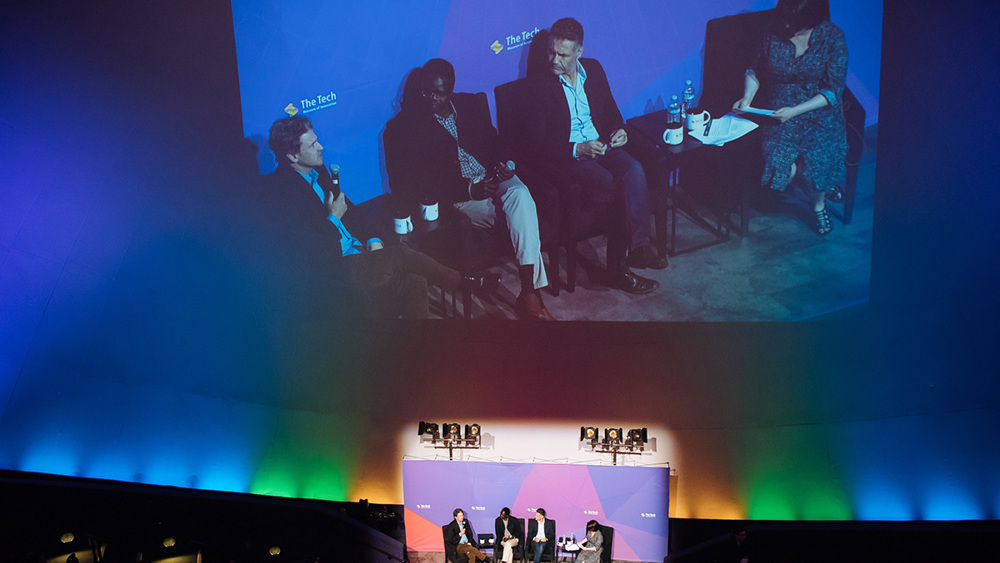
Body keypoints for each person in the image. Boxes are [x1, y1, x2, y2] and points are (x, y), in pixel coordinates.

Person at [265, 116, 496, 318]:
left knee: (416, 282)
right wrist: (334, 219)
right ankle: (464, 283)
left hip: (357, 254)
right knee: (402, 254)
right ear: (293, 155)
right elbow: (312, 252)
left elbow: (351, 211)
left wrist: (372, 238)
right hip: (335, 270)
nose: (321, 147)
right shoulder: (283, 193)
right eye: (313, 144)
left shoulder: (319, 171)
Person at [385, 59, 555, 320]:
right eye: (426, 91)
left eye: (439, 94)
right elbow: (416, 182)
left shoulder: (468, 105)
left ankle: (529, 292)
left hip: (492, 178)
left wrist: (506, 165)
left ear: (451, 90)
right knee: (521, 216)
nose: (431, 98)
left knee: (520, 196)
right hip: (462, 197)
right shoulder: (406, 127)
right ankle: (533, 299)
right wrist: (468, 189)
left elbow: (496, 141)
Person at [520, 17, 666, 295]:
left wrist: (620, 131)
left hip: (602, 147)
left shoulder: (594, 71)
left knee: (634, 169)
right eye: (551, 51)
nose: (554, 59)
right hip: (571, 158)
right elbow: (535, 143)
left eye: (562, 54)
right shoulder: (538, 85)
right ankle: (616, 272)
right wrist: (578, 148)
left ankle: (639, 249)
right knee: (616, 188)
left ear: (579, 52)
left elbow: (612, 114)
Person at [732, 0, 848, 236]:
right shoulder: (770, 34)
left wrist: (796, 110)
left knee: (820, 156)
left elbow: (833, 90)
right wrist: (747, 99)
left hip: (818, 111)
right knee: (782, 167)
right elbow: (754, 70)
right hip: (779, 110)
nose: (786, 25)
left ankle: (818, 206)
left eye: (793, 22)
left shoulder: (832, 37)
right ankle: (818, 184)